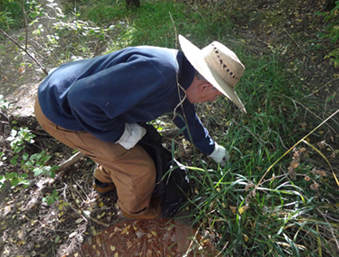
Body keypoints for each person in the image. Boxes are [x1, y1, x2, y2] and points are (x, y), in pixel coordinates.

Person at [34, 34, 246, 220]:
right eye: (217, 95)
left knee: (133, 149)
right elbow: (79, 98)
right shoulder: (160, 73)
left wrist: (213, 150)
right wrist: (121, 133)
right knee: (140, 169)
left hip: (88, 106)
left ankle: (103, 183)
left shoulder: (183, 79)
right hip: (62, 110)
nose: (212, 101)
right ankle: (135, 213)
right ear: (205, 86)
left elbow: (187, 121)